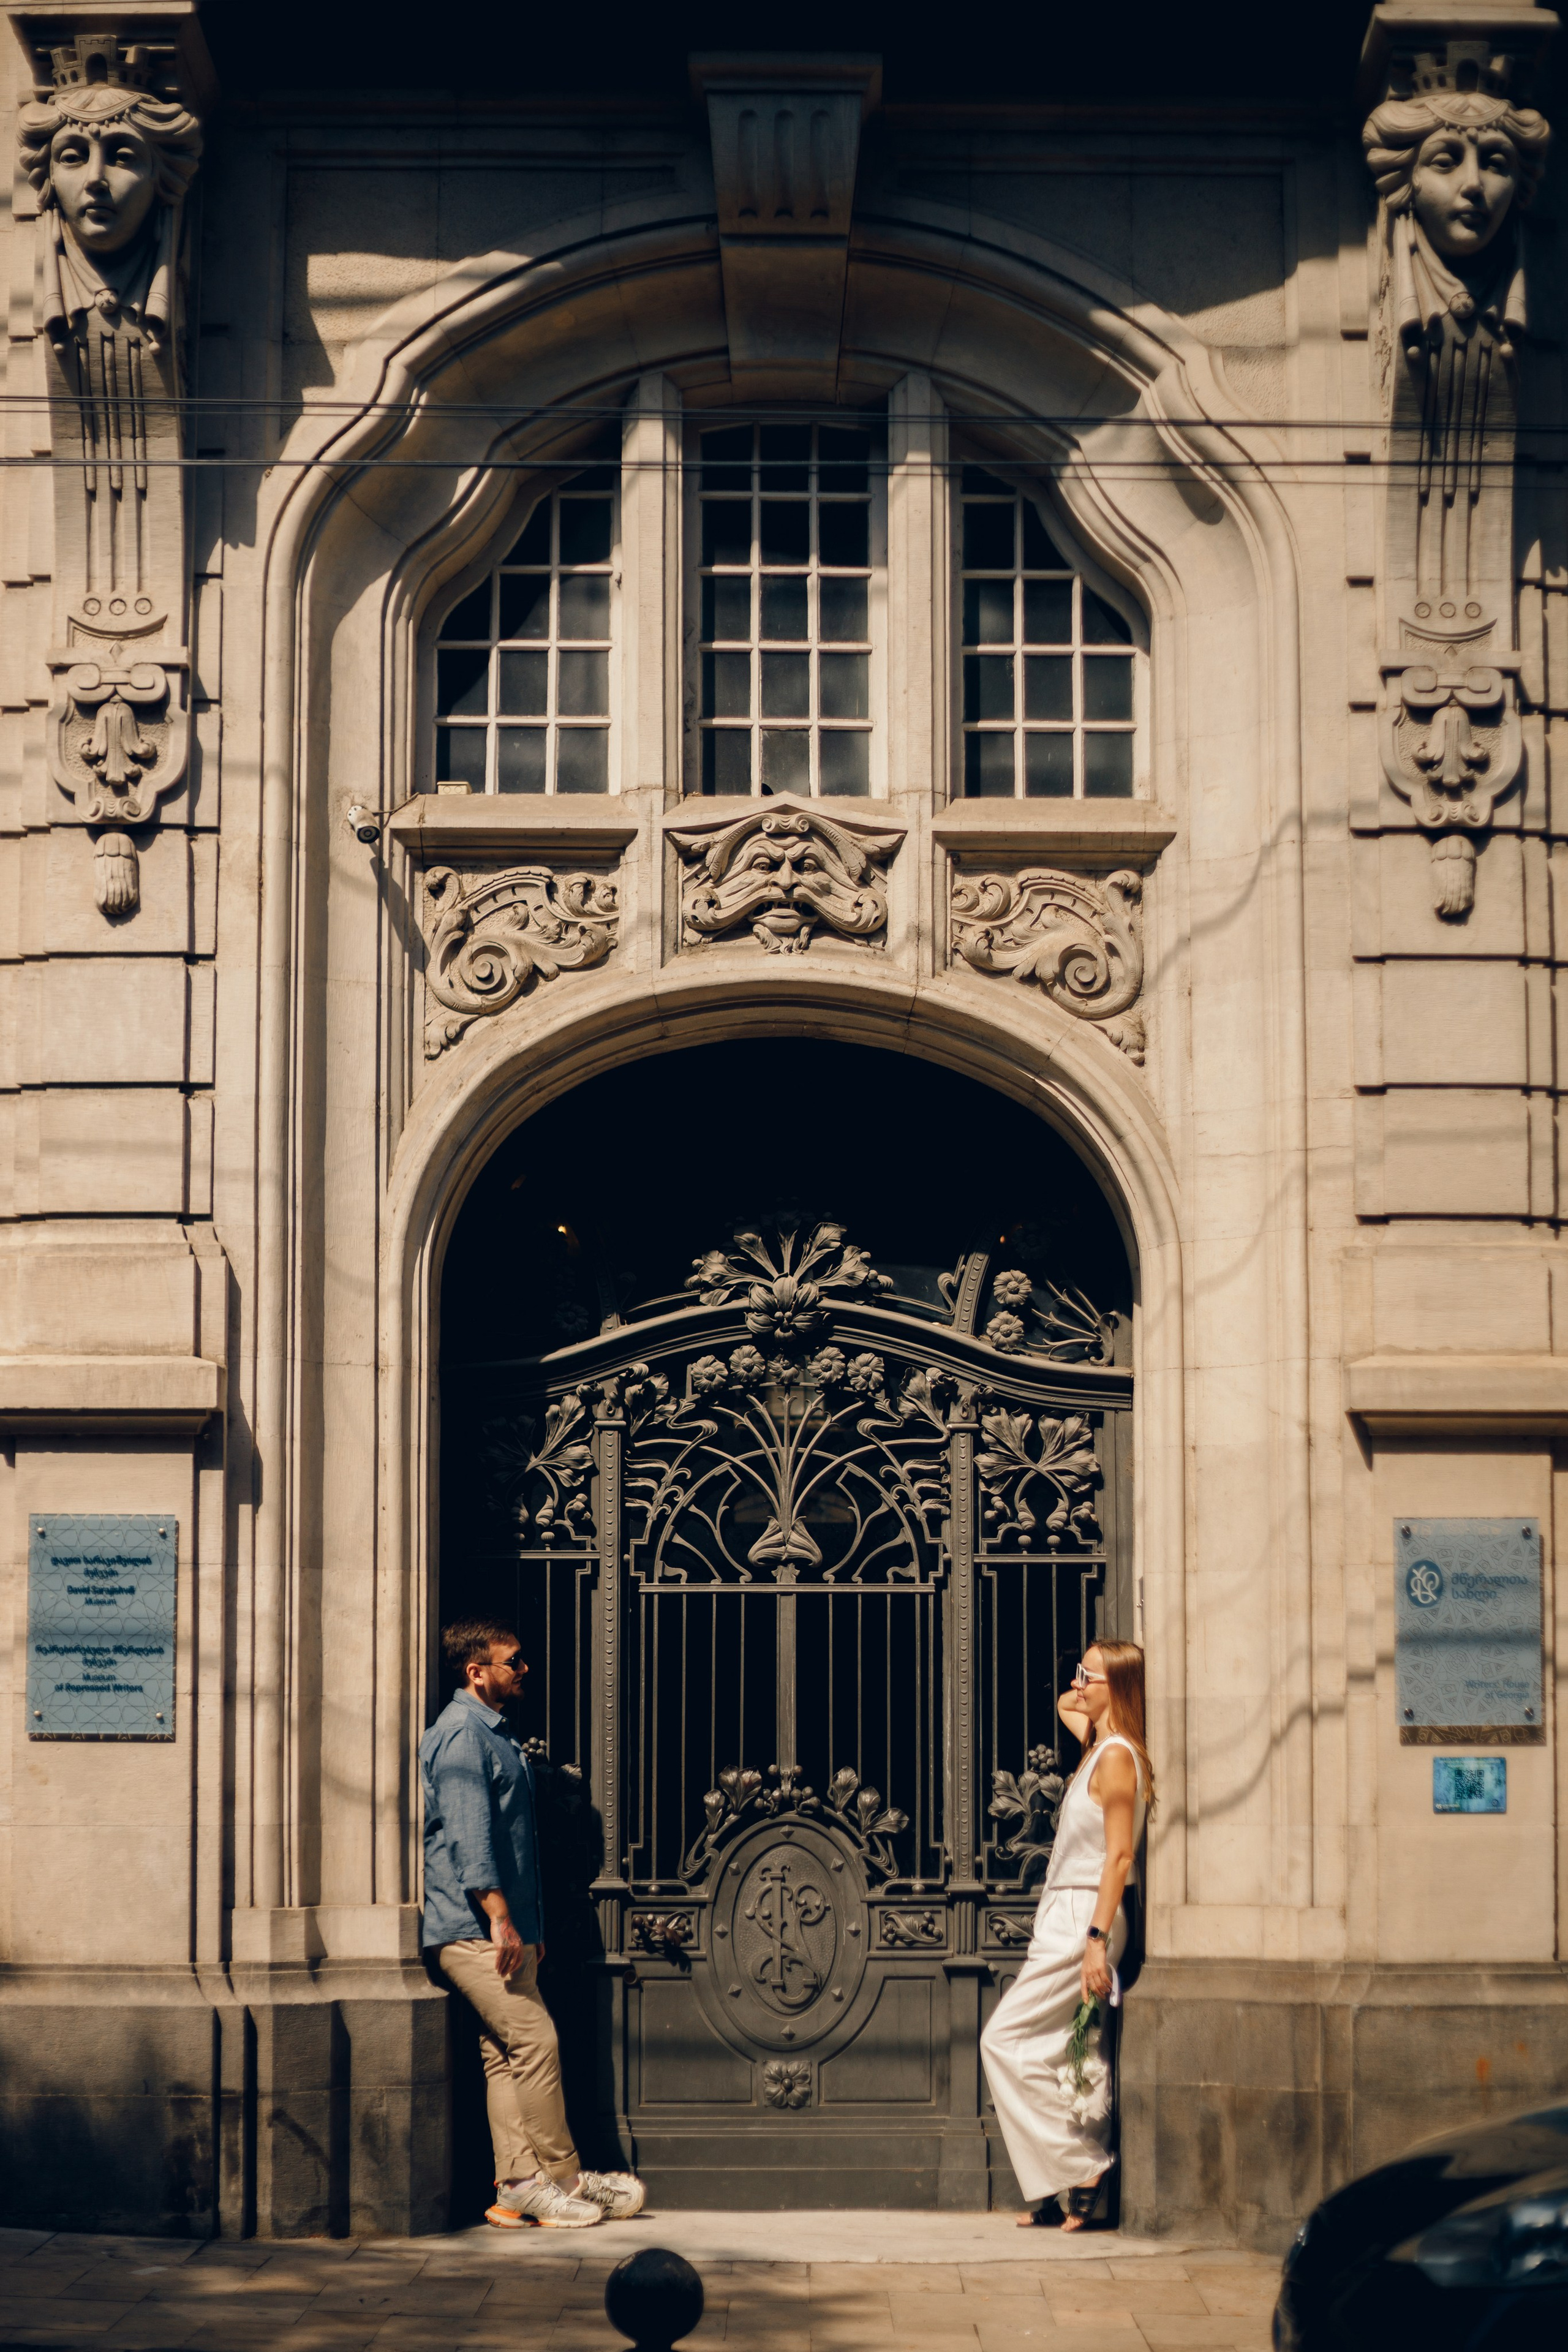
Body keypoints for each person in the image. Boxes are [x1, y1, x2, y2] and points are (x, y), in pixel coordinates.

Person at [420, 1618, 646, 2228]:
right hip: (472, 1927)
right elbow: (471, 1837)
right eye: (512, 1661)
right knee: (537, 2041)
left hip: (493, 1925)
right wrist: (501, 1920)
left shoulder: (490, 1733)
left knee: (505, 2054)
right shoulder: (463, 1735)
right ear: (477, 1671)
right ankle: (567, 2179)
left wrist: (525, 1924)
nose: (524, 1670)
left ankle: (517, 2187)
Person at [980, 1639, 1153, 2231]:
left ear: (1119, 1690)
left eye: (1088, 1675)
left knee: (1001, 2040)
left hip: (1088, 1914)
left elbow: (1121, 1855)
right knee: (1053, 2049)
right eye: (1079, 1672)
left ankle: (1084, 2164)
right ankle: (1059, 2182)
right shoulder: (1097, 1746)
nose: (1075, 1683)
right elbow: (1066, 1703)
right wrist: (1096, 1681)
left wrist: (1097, 1941)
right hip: (1067, 1913)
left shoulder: (1116, 1759)